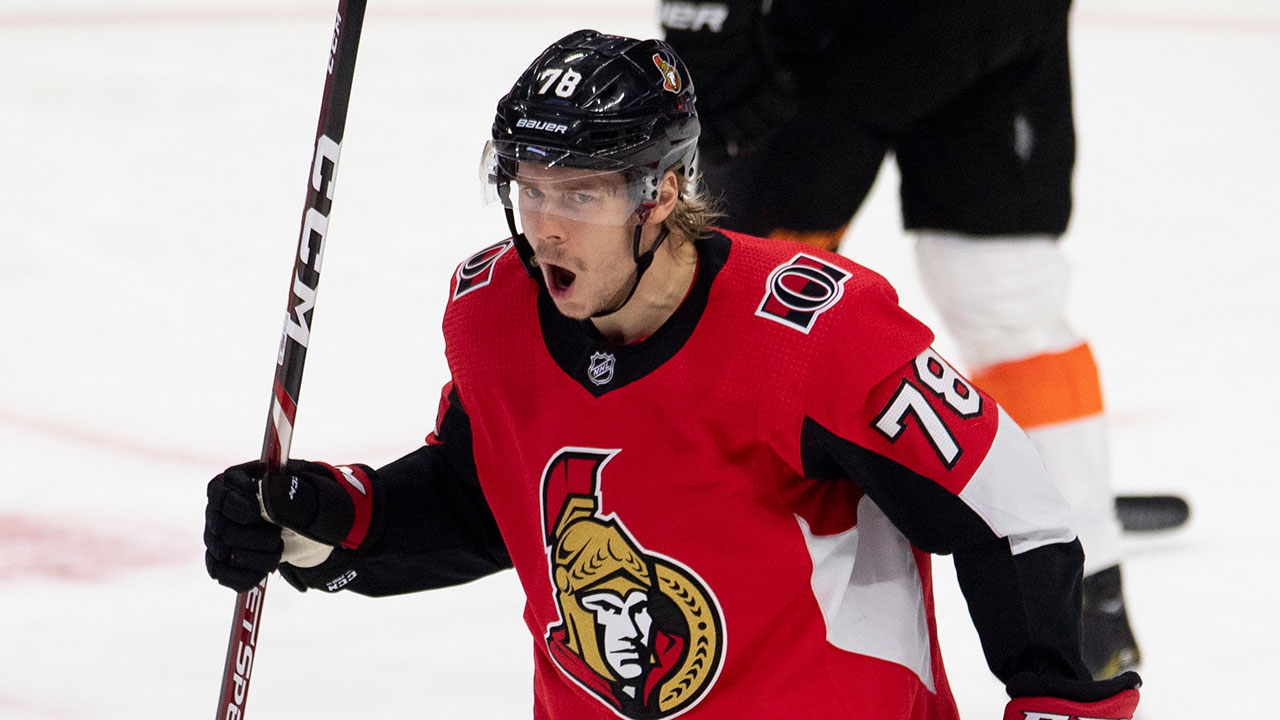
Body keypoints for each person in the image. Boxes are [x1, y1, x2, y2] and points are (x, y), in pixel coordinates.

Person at [203, 29, 1142, 719]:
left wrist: (1062, 701)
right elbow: (489, 495)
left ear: (663, 194)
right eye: (529, 187)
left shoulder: (815, 331)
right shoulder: (491, 313)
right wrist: (330, 522)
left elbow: (1008, 511)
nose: (544, 225)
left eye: (580, 193)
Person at [660, 0, 1143, 679]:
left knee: (995, 284)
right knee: (754, 280)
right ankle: (694, 521)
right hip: (841, 33)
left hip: (971, 25)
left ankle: (1085, 580)